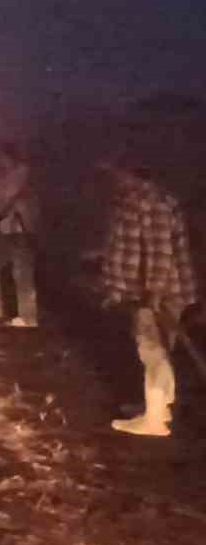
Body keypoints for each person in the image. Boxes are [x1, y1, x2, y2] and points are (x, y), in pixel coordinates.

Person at [100, 154, 196, 437]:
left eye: (117, 174)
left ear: (130, 173)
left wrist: (152, 294)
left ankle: (154, 419)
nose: (114, 181)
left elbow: (160, 252)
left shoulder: (152, 204)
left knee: (152, 350)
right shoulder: (136, 202)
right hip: (146, 291)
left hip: (157, 293)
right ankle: (157, 407)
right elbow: (128, 245)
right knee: (158, 350)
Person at [0, 143, 40, 327]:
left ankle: (28, 318)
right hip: (6, 231)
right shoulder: (3, 178)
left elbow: (12, 201)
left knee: (22, 274)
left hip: (22, 230)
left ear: (10, 156)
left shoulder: (23, 173)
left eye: (1, 157)